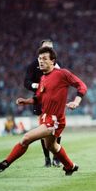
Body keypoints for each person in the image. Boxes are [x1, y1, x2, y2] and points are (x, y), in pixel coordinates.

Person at [0, 46, 87, 176]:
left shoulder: (62, 74)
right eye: (39, 59)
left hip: (54, 120)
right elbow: (39, 98)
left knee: (26, 138)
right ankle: (70, 166)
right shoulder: (43, 78)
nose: (41, 61)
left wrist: (76, 101)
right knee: (51, 147)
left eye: (44, 59)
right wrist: (26, 101)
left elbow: (81, 86)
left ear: (52, 61)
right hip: (45, 118)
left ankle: (5, 163)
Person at [24, 39, 63, 167]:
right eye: (46, 47)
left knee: (56, 130)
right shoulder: (33, 65)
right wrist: (37, 85)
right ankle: (47, 158)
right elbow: (26, 82)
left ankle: (56, 158)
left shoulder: (57, 65)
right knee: (43, 130)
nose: (49, 50)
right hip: (40, 101)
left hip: (55, 102)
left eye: (51, 48)